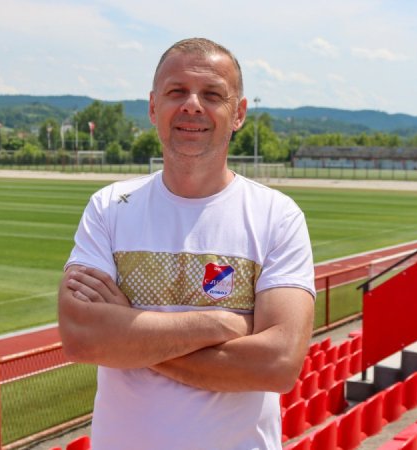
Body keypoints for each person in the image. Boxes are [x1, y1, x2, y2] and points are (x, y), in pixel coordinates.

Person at [58, 37, 315, 450]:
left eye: (212, 94)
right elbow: (81, 337)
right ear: (153, 107)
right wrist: (219, 325)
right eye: (177, 91)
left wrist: (129, 335)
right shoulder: (109, 207)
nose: (192, 105)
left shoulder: (277, 216)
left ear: (239, 113)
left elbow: (278, 365)